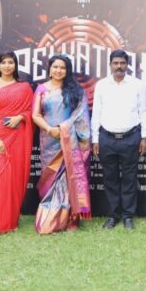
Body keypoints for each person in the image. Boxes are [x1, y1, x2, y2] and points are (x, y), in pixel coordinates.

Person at [32, 55, 92, 234]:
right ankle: (50, 218)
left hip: (71, 142)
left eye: (62, 67)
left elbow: (81, 116)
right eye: (55, 67)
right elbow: (36, 115)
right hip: (49, 141)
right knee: (50, 178)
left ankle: (71, 219)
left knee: (69, 178)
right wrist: (50, 129)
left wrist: (64, 130)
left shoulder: (75, 90)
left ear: (67, 71)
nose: (58, 70)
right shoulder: (42, 89)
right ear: (50, 69)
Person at [91, 50, 146, 230]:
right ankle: (113, 216)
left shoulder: (137, 84)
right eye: (116, 63)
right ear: (110, 65)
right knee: (110, 179)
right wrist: (95, 139)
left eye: (122, 63)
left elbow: (143, 111)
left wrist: (144, 136)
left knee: (130, 178)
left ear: (127, 64)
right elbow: (96, 113)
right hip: (106, 138)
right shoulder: (102, 85)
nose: (119, 66)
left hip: (131, 137)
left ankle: (128, 216)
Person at [0, 51, 34, 235]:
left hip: (18, 137)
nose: (7, 66)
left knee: (14, 178)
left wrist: (21, 117)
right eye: (4, 62)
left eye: (11, 62)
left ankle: (11, 221)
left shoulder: (24, 87)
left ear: (15, 65)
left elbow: (32, 111)